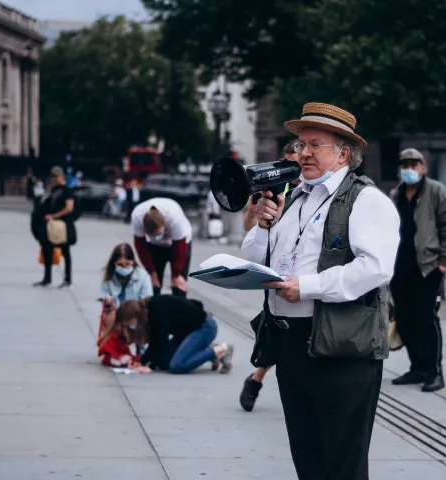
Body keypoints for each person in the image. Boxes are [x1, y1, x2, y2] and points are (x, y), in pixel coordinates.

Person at [242, 103, 399, 479]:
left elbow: (376, 267)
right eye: (300, 144)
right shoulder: (296, 196)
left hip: (340, 348)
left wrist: (309, 287)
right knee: (307, 458)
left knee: (341, 462)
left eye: (315, 144)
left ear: (343, 153)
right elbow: (257, 256)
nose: (304, 153)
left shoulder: (366, 199)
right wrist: (263, 226)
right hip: (290, 345)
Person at [239, 139, 301, 412]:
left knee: (286, 335)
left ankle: (256, 379)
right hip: (276, 269)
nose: (293, 167)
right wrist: (260, 211)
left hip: (303, 272)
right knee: (275, 330)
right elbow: (247, 225)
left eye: (296, 161)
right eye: (287, 161)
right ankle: (256, 379)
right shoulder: (274, 187)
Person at [388, 148, 446, 393]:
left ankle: (434, 371)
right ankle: (417, 366)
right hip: (400, 267)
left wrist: (444, 261)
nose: (409, 169)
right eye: (405, 165)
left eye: (414, 164)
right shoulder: (396, 194)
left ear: (423, 167)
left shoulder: (436, 191)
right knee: (405, 319)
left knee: (427, 319)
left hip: (427, 266)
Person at [112, 296, 234, 374]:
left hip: (204, 327)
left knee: (177, 365)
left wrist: (146, 365)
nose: (131, 327)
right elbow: (156, 342)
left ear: (135, 316)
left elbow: (161, 340)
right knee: (163, 362)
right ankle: (207, 351)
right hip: (187, 334)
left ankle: (222, 349)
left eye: (129, 324)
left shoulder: (156, 307)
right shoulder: (149, 313)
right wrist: (142, 362)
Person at [97, 243, 155, 366]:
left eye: (127, 264)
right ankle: (114, 350)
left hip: (135, 313)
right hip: (117, 312)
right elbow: (104, 296)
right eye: (120, 265)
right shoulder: (109, 277)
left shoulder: (142, 276)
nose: (124, 268)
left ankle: (140, 345)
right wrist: (107, 301)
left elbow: (147, 299)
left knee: (142, 315)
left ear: (133, 262)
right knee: (109, 315)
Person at [131, 197, 192, 296]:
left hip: (179, 243)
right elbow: (140, 246)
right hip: (154, 246)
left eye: (158, 234)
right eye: (153, 235)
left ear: (165, 223)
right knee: (152, 286)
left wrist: (176, 274)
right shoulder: (137, 216)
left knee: (179, 284)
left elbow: (179, 248)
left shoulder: (173, 217)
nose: (158, 237)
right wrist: (151, 272)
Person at [31, 166, 76, 289]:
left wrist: (54, 216)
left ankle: (68, 280)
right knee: (47, 250)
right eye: (52, 176)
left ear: (62, 177)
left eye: (56, 176)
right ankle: (47, 278)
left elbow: (69, 207)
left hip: (63, 226)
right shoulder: (53, 190)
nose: (54, 179)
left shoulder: (67, 190)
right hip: (51, 226)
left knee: (65, 252)